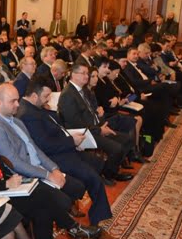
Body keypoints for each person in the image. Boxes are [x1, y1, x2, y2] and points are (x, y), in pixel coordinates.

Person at [0, 106, 102, 239]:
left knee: (43, 208)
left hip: (5, 189)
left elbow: (1, 170)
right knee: (42, 197)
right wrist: (6, 184)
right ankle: (73, 228)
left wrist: (12, 178)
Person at [17, 77, 115, 226]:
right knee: (93, 178)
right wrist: (71, 142)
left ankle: (83, 204)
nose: (48, 99)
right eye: (45, 96)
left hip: (63, 149)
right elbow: (44, 145)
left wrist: (71, 140)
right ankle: (98, 219)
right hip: (55, 157)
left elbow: (55, 128)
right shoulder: (27, 114)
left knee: (97, 163)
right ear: (34, 96)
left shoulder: (35, 107)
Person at [58, 63, 135, 181]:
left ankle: (110, 169)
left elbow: (93, 112)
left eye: (87, 73)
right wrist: (99, 130)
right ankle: (108, 173)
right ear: (73, 75)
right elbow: (75, 123)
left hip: (94, 127)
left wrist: (101, 125)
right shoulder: (68, 94)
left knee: (127, 140)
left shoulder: (83, 90)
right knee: (117, 148)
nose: (86, 76)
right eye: (83, 73)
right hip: (83, 134)